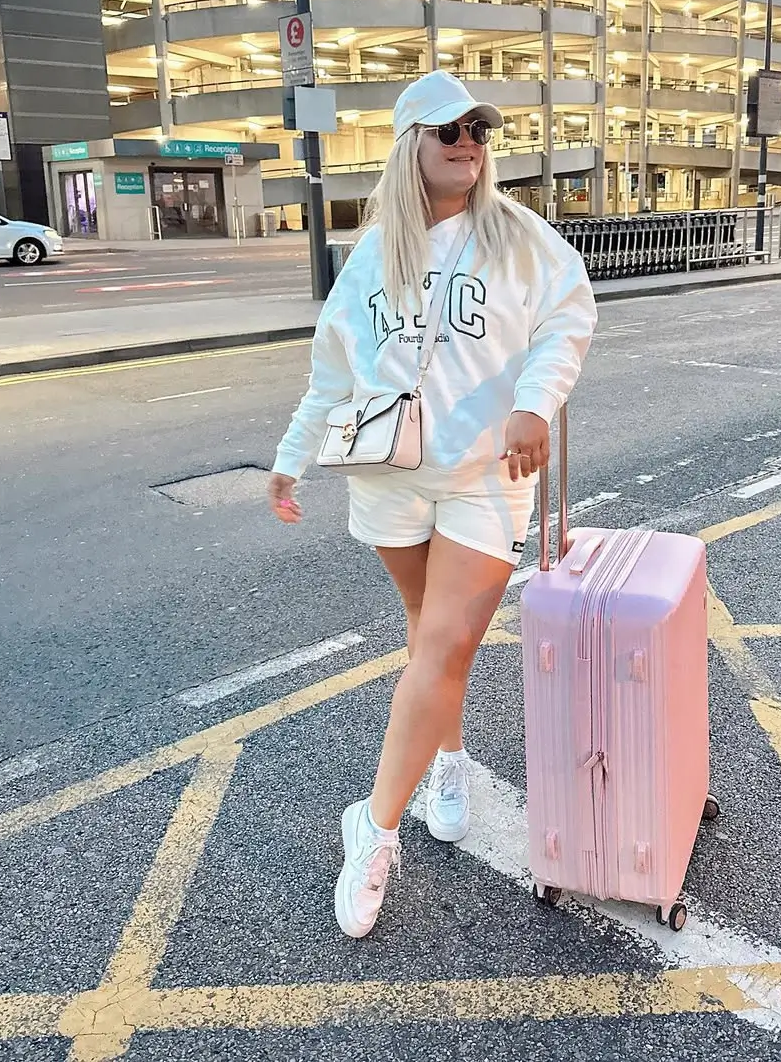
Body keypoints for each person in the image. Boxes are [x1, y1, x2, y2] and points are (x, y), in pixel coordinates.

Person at [267, 70, 597, 939]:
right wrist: (290, 460)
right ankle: (449, 759)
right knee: (429, 643)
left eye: (480, 130)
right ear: (409, 140)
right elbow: (332, 374)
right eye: (447, 128)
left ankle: (372, 830)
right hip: (388, 476)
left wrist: (536, 403)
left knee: (445, 641)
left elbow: (569, 319)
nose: (466, 142)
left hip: (487, 475)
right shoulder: (370, 256)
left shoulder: (519, 239)